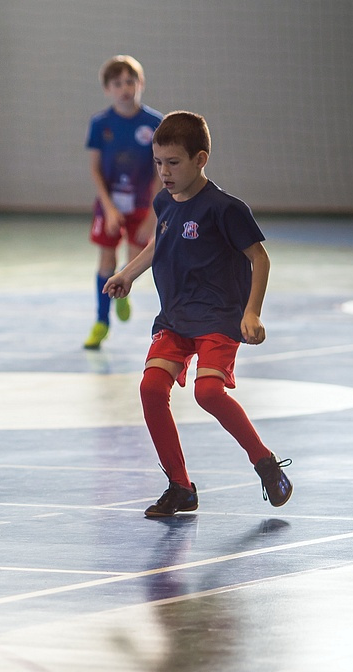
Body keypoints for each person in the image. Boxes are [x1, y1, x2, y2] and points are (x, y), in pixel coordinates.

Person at [104, 110, 293, 518]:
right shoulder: (164, 202)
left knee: (208, 392)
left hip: (219, 317)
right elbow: (159, 242)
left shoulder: (225, 208)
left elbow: (260, 258)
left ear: (200, 159)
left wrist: (252, 313)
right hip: (175, 317)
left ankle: (264, 462)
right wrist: (127, 273)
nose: (164, 172)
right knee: (151, 388)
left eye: (173, 163)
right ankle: (180, 487)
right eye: (158, 162)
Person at [83, 55, 163, 350]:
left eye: (130, 82)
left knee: (136, 259)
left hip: (141, 205)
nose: (125, 88)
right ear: (108, 89)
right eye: (117, 84)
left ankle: (122, 286)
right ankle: (101, 322)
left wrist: (152, 215)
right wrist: (108, 208)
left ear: (141, 84)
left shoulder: (155, 123)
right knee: (106, 259)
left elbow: (160, 171)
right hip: (110, 204)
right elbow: (95, 169)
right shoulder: (100, 123)